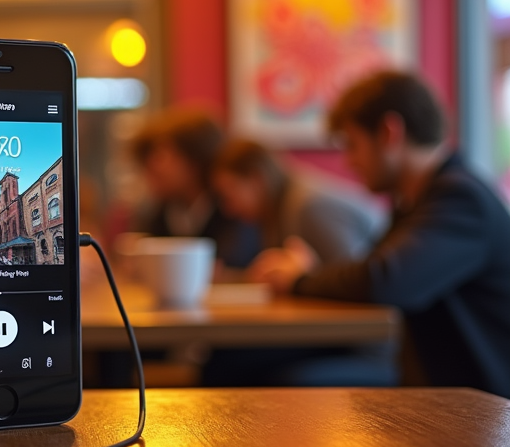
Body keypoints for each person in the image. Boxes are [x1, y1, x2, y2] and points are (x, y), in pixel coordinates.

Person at [252, 70, 510, 397]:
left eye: (353, 145)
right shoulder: (415, 202)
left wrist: (299, 280)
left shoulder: (461, 198)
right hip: (447, 397)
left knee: (284, 386)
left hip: (485, 413)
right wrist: (313, 273)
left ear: (389, 133)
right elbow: (371, 269)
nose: (349, 162)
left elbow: (383, 281)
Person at [213, 139, 382, 267]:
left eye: (230, 195)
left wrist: (301, 278)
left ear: (257, 179)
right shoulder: (279, 207)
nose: (229, 209)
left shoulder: (309, 208)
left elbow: (353, 276)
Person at [131, 108, 261, 269]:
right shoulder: (158, 212)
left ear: (195, 160)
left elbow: (232, 264)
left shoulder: (231, 209)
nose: (154, 164)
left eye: (164, 154)